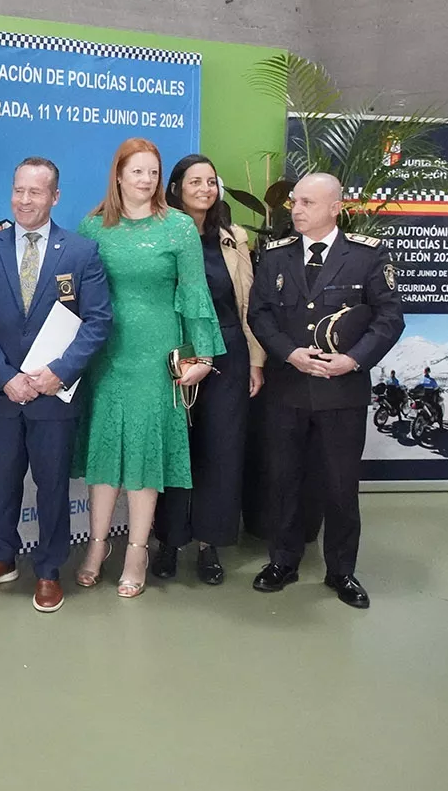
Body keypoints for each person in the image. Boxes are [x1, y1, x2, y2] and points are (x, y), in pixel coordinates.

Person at [0, 158, 112, 612]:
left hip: (53, 395)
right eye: (18, 190)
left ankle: (48, 569)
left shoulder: (81, 252)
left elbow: (97, 321)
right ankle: (0, 557)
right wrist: (5, 378)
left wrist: (58, 373)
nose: (25, 200)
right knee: (2, 481)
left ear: (55, 197)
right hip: (3, 393)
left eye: (36, 192)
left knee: (51, 486)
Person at [73, 138, 223, 598]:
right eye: (137, 171)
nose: (145, 180)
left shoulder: (177, 227)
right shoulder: (93, 227)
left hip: (158, 356)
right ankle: (96, 547)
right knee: (103, 456)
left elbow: (195, 293)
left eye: (153, 173)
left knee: (144, 457)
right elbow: (73, 296)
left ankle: (136, 551)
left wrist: (202, 357)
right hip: (105, 355)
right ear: (118, 175)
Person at [248, 172, 404, 608]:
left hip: (343, 392)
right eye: (295, 202)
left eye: (308, 203)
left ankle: (342, 571)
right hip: (289, 388)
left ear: (336, 207)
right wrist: (288, 353)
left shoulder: (366, 256)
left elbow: (389, 319)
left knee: (339, 485)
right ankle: (283, 560)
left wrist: (353, 359)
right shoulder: (276, 255)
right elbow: (259, 315)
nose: (296, 209)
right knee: (284, 481)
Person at [150, 154, 266, 585]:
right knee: (176, 449)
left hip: (229, 353)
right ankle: (168, 541)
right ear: (176, 187)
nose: (205, 188)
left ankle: (209, 544)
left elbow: (248, 303)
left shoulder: (234, 237)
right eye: (195, 181)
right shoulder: (161, 232)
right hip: (175, 355)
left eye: (211, 182)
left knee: (221, 449)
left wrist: (255, 360)